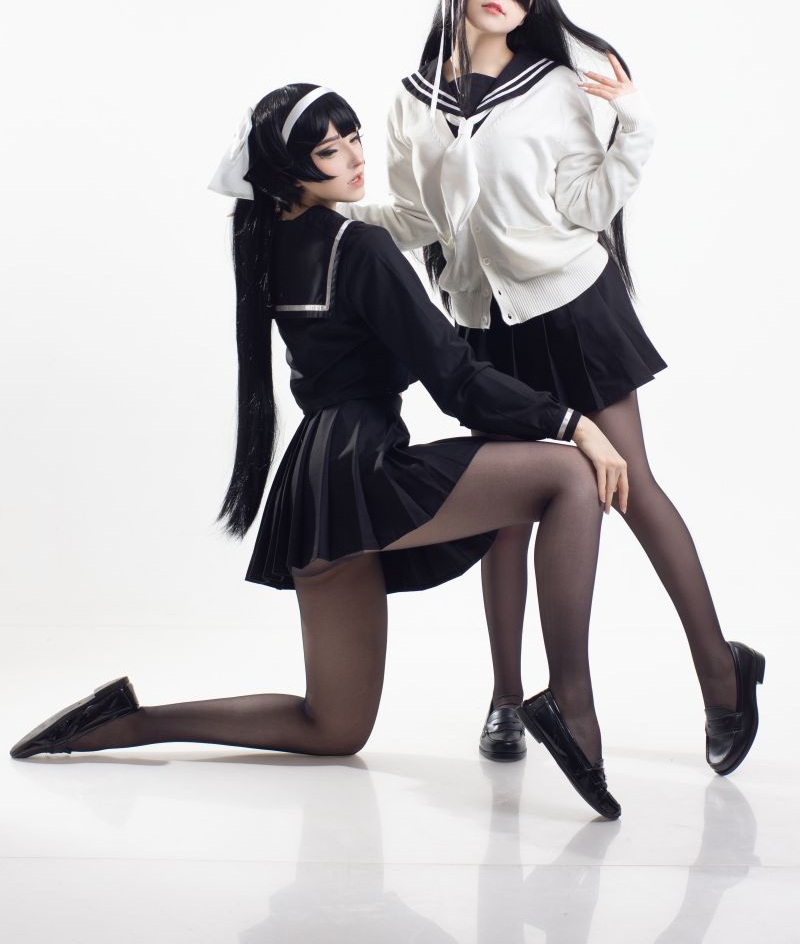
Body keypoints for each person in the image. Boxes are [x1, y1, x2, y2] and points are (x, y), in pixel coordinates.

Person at [11, 84, 633, 819]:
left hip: (315, 483)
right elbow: (456, 382)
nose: (356, 158)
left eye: (355, 137)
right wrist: (573, 421)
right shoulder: (357, 246)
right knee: (569, 475)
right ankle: (570, 702)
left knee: (334, 728)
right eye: (330, 150)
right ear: (289, 170)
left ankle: (128, 721)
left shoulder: (267, 246)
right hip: (362, 469)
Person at [339, 0, 764, 775]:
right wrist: (337, 216)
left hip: (573, 309)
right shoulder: (412, 101)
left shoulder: (558, 84)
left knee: (628, 485)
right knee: (505, 513)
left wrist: (635, 124)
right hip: (482, 324)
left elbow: (585, 203)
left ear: (535, 3)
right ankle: (507, 697)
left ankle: (722, 673)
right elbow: (419, 220)